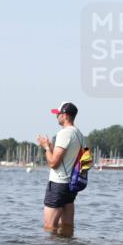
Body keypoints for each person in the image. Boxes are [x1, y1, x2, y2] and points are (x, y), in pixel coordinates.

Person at [37, 101, 84, 237]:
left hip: (58, 184)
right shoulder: (79, 134)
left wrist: (46, 147)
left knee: (49, 226)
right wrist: (52, 147)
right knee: (67, 226)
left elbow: (53, 163)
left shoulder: (64, 134)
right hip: (71, 185)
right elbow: (71, 159)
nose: (56, 116)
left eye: (58, 114)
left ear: (64, 115)